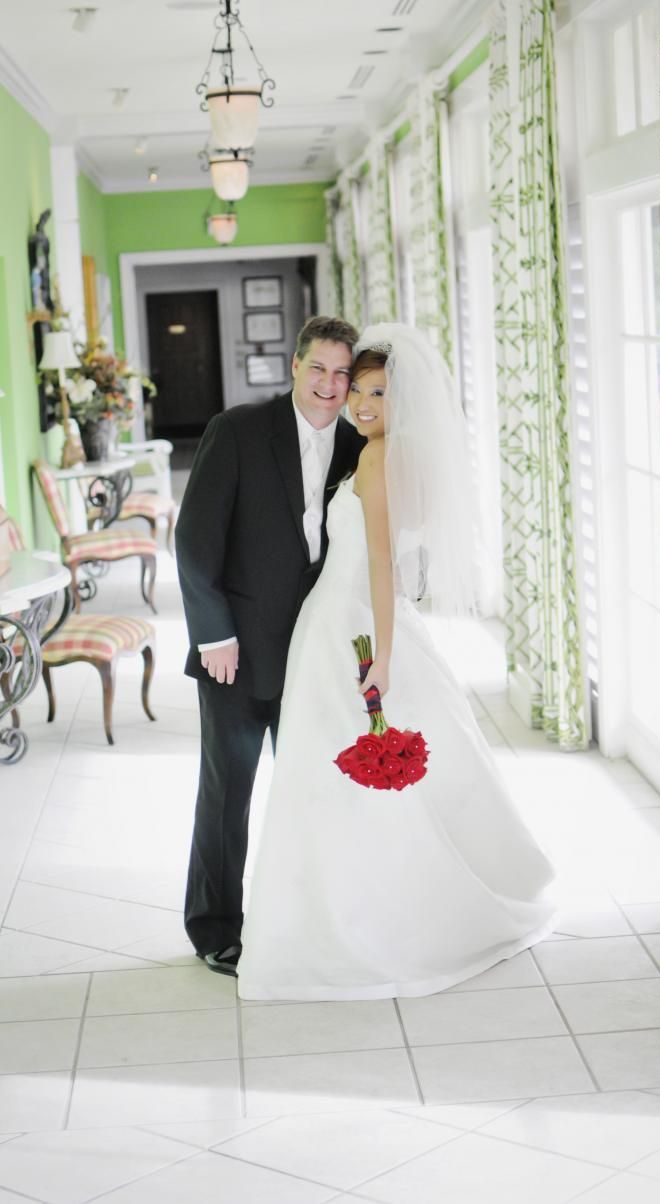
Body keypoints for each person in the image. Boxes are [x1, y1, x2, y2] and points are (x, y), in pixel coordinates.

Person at [237, 323, 555, 1001]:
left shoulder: (378, 459)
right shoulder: (391, 455)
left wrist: (382, 657)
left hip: (349, 626)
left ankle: (364, 923)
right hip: (350, 619)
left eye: (377, 392)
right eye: (357, 389)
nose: (361, 402)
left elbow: (383, 566)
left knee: (335, 779)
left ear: (402, 399)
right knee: (343, 779)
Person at [175, 315, 365, 976]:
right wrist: (213, 635)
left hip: (317, 655)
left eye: (342, 373)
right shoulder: (237, 431)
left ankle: (309, 918)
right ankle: (215, 927)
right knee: (228, 794)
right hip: (237, 652)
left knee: (315, 791)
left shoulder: (359, 447)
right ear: (295, 366)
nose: (329, 384)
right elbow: (194, 541)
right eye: (318, 368)